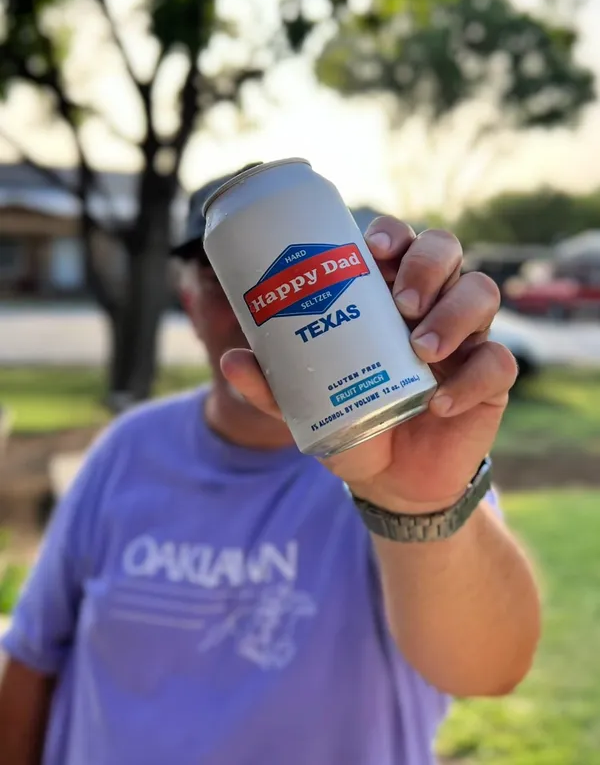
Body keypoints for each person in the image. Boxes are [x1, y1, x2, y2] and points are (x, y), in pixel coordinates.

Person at [0, 167, 541, 765]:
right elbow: (33, 657)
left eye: (298, 276)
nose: (259, 316)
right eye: (227, 282)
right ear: (190, 303)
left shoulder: (410, 452)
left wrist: (416, 505)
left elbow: (489, 668)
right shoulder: (126, 450)